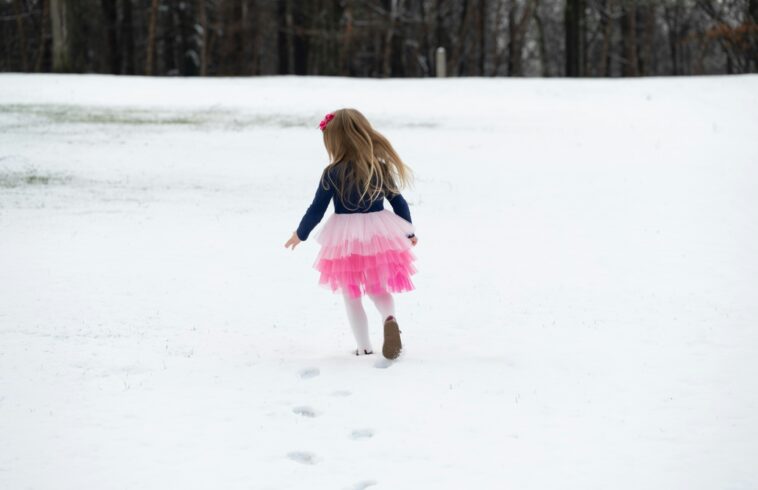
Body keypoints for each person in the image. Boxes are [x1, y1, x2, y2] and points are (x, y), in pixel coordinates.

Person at [284, 108, 418, 360]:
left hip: (344, 237)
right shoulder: (379, 167)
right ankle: (389, 318)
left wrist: (300, 234)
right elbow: (399, 203)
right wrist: (408, 230)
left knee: (351, 292)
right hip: (380, 231)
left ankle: (364, 346)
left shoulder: (332, 173)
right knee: (377, 286)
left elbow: (316, 210)